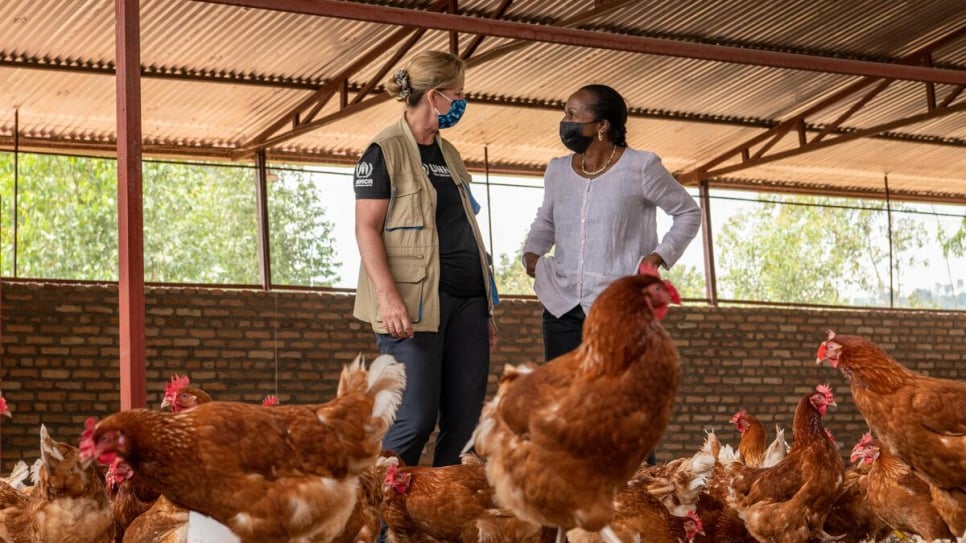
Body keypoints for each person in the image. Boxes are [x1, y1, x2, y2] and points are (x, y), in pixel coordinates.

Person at [353, 50, 498, 468]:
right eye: (458, 95)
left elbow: (463, 226)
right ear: (433, 96)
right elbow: (366, 227)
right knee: (412, 420)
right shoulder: (384, 150)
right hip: (414, 306)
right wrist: (387, 297)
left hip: (469, 302)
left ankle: (441, 526)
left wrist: (487, 308)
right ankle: (383, 529)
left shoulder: (449, 152)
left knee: (464, 425)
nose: (461, 103)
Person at [523, 83, 701, 362]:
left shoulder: (641, 167)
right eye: (565, 114)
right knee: (566, 399)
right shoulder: (557, 170)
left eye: (572, 115)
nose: (564, 123)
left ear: (601, 126)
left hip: (619, 309)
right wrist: (530, 255)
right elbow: (547, 219)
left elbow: (688, 212)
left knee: (613, 399)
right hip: (562, 307)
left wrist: (658, 257)